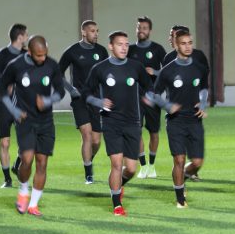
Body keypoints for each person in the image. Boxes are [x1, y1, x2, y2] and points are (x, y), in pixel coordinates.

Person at [83, 30, 152, 216]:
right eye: (120, 44)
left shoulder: (136, 67)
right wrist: (99, 102)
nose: (124, 48)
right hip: (111, 122)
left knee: (130, 168)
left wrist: (151, 98)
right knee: (116, 163)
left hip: (133, 122)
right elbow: (86, 94)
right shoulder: (100, 69)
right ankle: (116, 205)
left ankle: (119, 186)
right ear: (111, 46)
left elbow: (149, 87)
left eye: (126, 44)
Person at [0, 35, 65, 217]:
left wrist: (48, 100)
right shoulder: (16, 66)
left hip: (46, 121)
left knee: (42, 163)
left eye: (45, 55)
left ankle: (33, 205)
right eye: (38, 56)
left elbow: (60, 91)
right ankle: (23, 190)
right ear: (30, 52)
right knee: (27, 159)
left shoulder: (52, 65)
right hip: (25, 120)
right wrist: (14, 111)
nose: (42, 59)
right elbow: (1, 89)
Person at [148, 29, 209, 208]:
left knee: (197, 162)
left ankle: (183, 178)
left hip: (195, 120)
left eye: (190, 42)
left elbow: (204, 88)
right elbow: (154, 94)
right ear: (176, 45)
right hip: (176, 122)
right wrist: (168, 106)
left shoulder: (199, 68)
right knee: (179, 160)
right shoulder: (168, 71)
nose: (188, 46)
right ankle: (179, 197)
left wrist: (203, 103)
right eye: (183, 43)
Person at [58, 20, 109, 185]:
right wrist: (71, 90)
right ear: (84, 32)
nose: (96, 34)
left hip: (95, 100)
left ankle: (88, 159)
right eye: (92, 31)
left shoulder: (101, 51)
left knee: (96, 141)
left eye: (97, 31)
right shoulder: (72, 51)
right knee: (86, 135)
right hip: (79, 100)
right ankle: (89, 175)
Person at [0, 24, 27, 188]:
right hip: (3, 105)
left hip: (22, 105)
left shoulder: (27, 55)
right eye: (26, 35)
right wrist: (5, 85)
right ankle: (7, 179)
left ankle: (17, 164)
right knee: (5, 143)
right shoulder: (1, 56)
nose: (27, 38)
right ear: (20, 37)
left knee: (26, 143)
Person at [128, 16, 167, 179]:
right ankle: (143, 165)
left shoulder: (158, 49)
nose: (141, 30)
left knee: (153, 132)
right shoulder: (129, 50)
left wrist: (155, 72)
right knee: (136, 131)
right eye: (138, 28)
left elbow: (168, 72)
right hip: (135, 97)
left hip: (152, 97)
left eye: (144, 28)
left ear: (150, 30)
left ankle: (152, 165)